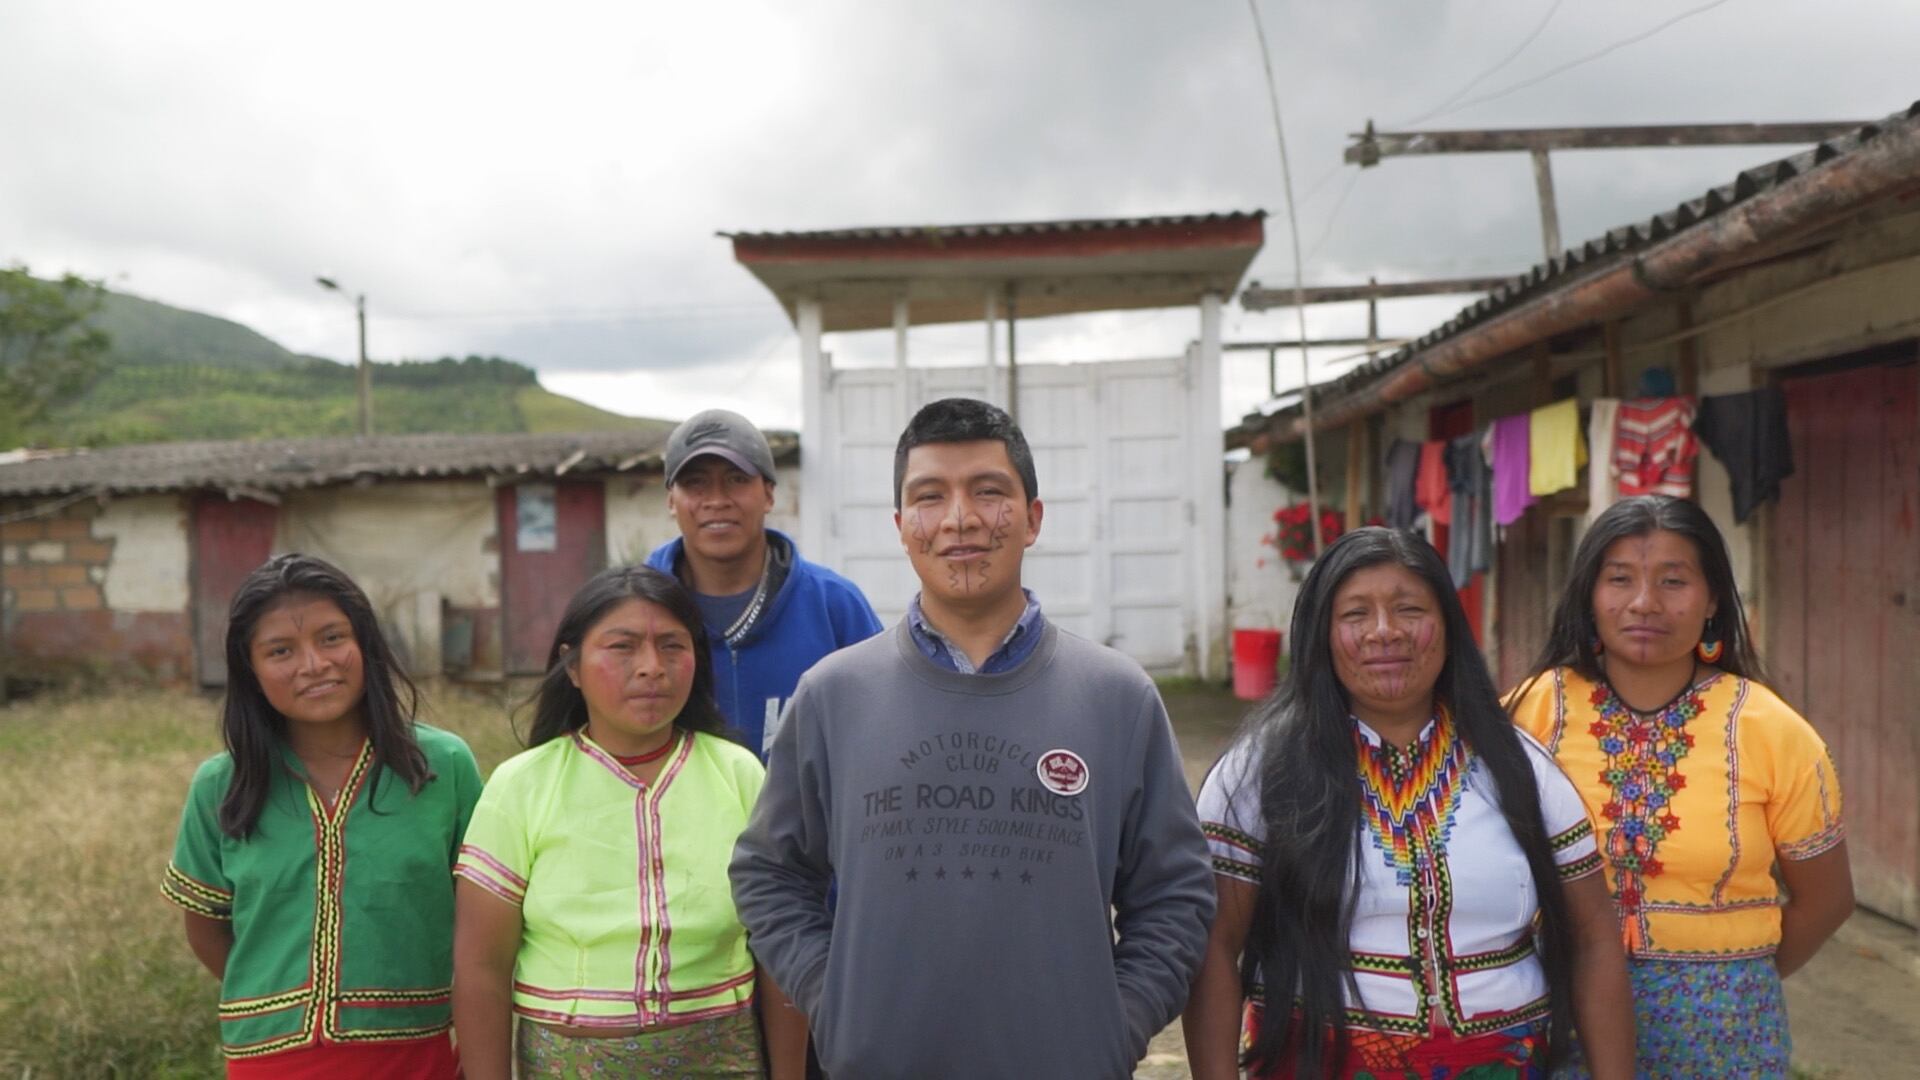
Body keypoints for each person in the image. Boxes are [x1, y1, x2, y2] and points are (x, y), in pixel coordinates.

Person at [729, 397, 1216, 1079]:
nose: (959, 519)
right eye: (930, 498)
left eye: (988, 492)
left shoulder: (1116, 696)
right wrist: (834, 999)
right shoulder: (834, 695)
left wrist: (1118, 1021)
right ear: (902, 526)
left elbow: (1177, 892)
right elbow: (768, 873)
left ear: (1033, 518)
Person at [1185, 528, 1634, 1080]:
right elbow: (1214, 946)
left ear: (1447, 627)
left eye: (1409, 609)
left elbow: (1592, 937)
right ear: (1319, 634)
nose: (1384, 632)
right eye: (1355, 615)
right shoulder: (1258, 771)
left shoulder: (1518, 765)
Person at [1506, 495, 1853, 1078]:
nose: (1644, 603)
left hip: (1725, 1030)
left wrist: (1728, 975)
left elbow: (1828, 900)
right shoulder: (1532, 713)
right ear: (1590, 595)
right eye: (1619, 579)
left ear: (1713, 597)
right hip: (1553, 1012)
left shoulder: (1771, 730)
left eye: (1673, 581)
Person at [452, 565, 806, 1079]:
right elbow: (482, 969)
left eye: (672, 646)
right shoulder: (521, 786)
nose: (651, 668)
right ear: (571, 666)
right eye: (622, 647)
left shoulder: (738, 774)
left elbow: (777, 951)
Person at [162, 553, 481, 1078]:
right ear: (251, 669)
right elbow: (205, 929)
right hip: (267, 1060)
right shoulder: (221, 786)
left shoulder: (442, 766)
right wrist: (275, 990)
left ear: (365, 644)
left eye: (332, 638)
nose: (313, 664)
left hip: (415, 1055)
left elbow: (483, 927)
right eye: (281, 650)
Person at [646, 408, 883, 757]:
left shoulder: (833, 605)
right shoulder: (636, 609)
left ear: (769, 494)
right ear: (670, 500)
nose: (717, 500)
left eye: (736, 479)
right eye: (695, 483)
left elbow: (882, 729)